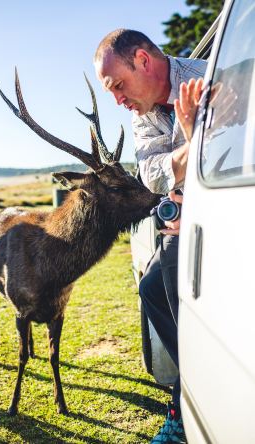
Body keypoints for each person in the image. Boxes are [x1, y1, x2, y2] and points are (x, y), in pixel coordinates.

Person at [94, 29, 205, 443]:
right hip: (183, 220)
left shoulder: (214, 75)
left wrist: (189, 163)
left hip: (224, 218)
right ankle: (192, 389)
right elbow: (153, 175)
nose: (118, 101)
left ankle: (184, 407)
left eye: (118, 86)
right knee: (154, 288)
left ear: (142, 59)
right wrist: (192, 143)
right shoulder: (141, 116)